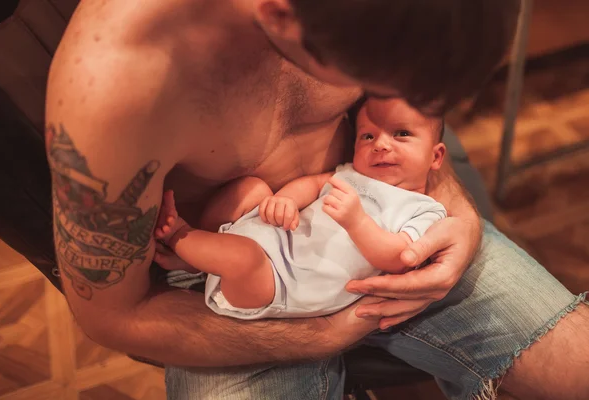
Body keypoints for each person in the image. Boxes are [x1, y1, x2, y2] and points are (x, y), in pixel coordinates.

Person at [45, 0, 589, 399]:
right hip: (235, 288)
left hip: (385, 212)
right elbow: (114, 317)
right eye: (374, 81)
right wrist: (318, 331)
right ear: (280, 15)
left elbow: (409, 130)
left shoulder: (368, 21)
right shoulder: (116, 86)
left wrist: (460, 216)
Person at [153, 98, 447, 319]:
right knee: (250, 189)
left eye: (402, 134)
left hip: (280, 282)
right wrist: (287, 200)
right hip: (274, 236)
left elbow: (399, 259)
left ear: (436, 156)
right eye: (367, 136)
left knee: (244, 258)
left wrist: (357, 222)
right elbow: (310, 185)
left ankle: (181, 235)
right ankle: (197, 262)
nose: (380, 145)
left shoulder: (423, 210)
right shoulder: (348, 174)